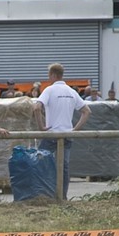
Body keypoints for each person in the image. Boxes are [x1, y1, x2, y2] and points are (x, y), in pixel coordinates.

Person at [32, 62, 90, 198]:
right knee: (64, 167)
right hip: (67, 135)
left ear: (52, 75)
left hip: (51, 134)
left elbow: (36, 107)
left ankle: (43, 194)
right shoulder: (71, 91)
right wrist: (75, 129)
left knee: (41, 163)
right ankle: (62, 196)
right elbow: (87, 111)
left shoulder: (49, 90)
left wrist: (41, 127)